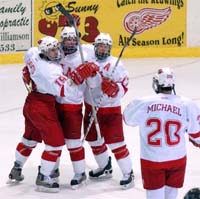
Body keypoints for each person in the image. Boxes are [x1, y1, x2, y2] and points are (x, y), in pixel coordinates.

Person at [8, 36, 98, 193]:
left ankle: (17, 167)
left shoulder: (34, 53)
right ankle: (44, 177)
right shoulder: (50, 71)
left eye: (56, 48)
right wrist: (78, 76)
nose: (56, 52)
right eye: (52, 50)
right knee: (55, 143)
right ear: (45, 53)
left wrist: (29, 72)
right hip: (43, 107)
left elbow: (27, 57)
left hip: (31, 102)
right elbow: (67, 90)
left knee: (30, 137)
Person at [123, 67, 200, 199]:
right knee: (171, 195)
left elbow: (127, 119)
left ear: (156, 84)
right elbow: (196, 135)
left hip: (152, 160)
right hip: (177, 159)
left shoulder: (143, 103)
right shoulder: (187, 104)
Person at [83, 33, 134, 189]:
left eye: (106, 46)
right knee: (93, 140)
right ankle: (105, 166)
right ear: (95, 46)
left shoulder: (115, 64)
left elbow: (124, 85)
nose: (103, 49)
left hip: (111, 110)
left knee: (116, 143)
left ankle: (128, 173)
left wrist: (114, 90)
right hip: (91, 107)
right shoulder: (88, 61)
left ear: (110, 48)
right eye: (100, 46)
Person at [56, 26, 98, 189]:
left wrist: (92, 73)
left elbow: (93, 84)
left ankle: (80, 172)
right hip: (54, 103)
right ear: (62, 39)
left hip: (72, 105)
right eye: (68, 39)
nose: (71, 42)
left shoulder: (84, 55)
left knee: (73, 142)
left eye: (74, 39)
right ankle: (52, 169)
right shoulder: (55, 52)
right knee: (55, 142)